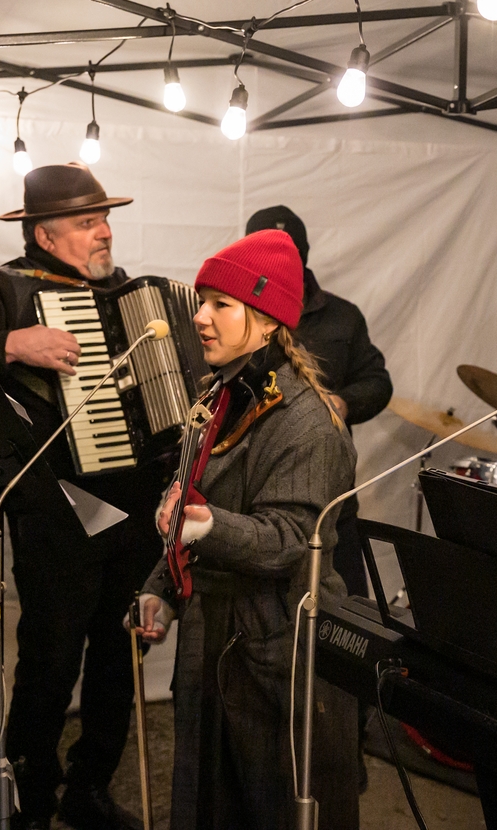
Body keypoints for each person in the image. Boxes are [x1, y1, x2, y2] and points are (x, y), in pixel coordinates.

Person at [0, 163, 168, 830]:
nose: (104, 232)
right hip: (56, 510)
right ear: (45, 237)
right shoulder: (5, 291)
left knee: (120, 657)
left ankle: (89, 788)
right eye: (87, 222)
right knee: (52, 659)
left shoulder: (133, 295)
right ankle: (31, 800)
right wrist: (11, 345)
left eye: (105, 220)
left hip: (135, 508)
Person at [133, 229, 360, 830]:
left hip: (278, 653)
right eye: (201, 301)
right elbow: (191, 503)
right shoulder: (217, 397)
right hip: (213, 637)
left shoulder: (308, 422)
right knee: (208, 807)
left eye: (221, 304)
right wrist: (163, 588)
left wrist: (205, 528)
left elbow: (290, 540)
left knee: (273, 811)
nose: (199, 317)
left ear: (266, 322)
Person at [243, 206, 392, 601]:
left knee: (346, 617)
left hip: (332, 499)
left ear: (304, 256)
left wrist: (343, 402)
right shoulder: (236, 317)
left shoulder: (343, 316)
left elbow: (377, 381)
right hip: (257, 502)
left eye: (288, 255)